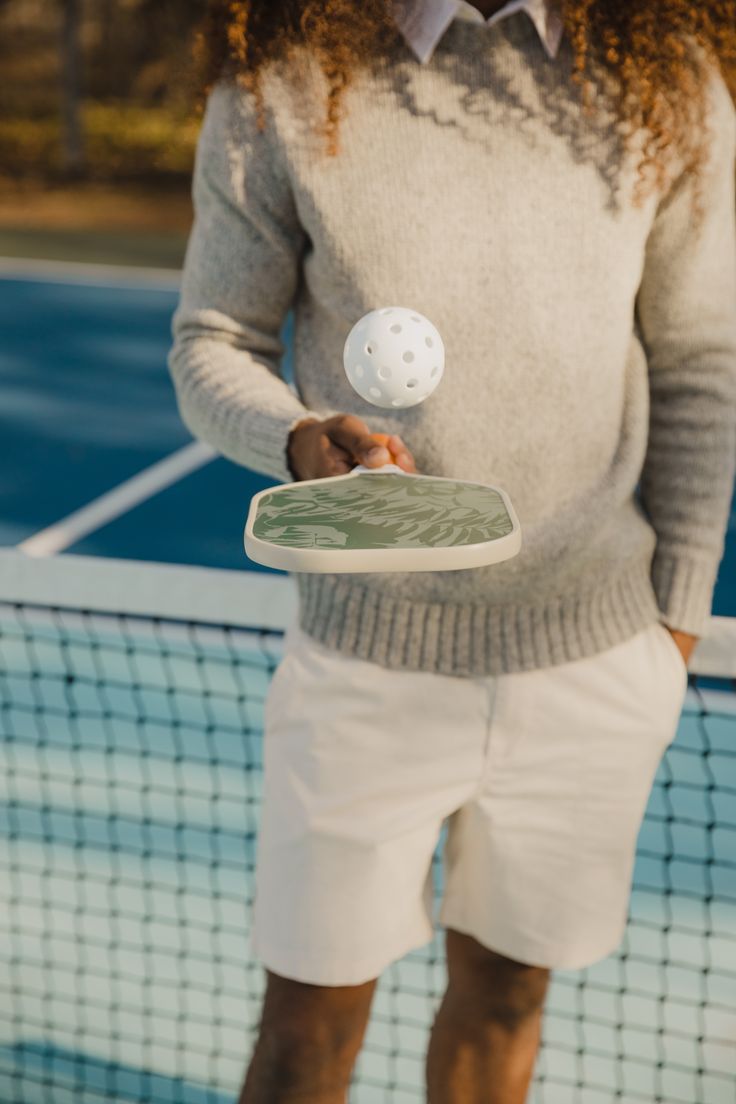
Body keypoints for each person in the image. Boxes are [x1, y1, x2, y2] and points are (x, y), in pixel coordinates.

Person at [168, 1, 736, 1100]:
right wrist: (291, 436)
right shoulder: (280, 80)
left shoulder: (666, 80)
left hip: (594, 663)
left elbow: (701, 363)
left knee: (507, 1002)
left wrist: (671, 624)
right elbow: (214, 341)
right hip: (362, 669)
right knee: (302, 1038)